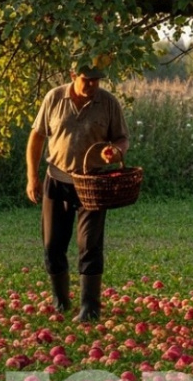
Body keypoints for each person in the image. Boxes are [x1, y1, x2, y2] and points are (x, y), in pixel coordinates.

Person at [26, 60, 130, 323]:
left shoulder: (108, 103)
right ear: (73, 75)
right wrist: (32, 177)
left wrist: (116, 151)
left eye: (97, 80)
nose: (93, 85)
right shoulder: (54, 98)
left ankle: (90, 307)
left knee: (89, 245)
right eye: (87, 80)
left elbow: (121, 138)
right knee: (52, 245)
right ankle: (61, 301)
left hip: (93, 184)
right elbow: (37, 137)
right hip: (57, 180)